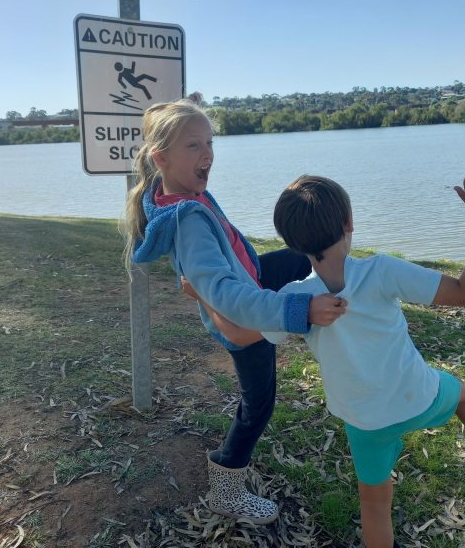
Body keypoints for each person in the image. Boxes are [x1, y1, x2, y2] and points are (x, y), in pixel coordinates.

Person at [190, 173, 465, 548]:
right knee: (460, 393)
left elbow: (236, 334)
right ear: (349, 222)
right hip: (417, 396)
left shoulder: (295, 299)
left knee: (374, 504)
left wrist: (203, 291)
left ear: (290, 242)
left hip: (364, 421)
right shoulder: (380, 271)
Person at [122, 94, 347, 525]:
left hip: (254, 279)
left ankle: (347, 313)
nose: (207, 155)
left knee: (306, 254)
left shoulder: (186, 194)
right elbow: (224, 293)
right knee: (257, 406)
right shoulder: (186, 219)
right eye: (194, 146)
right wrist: (297, 311)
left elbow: (226, 261)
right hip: (244, 314)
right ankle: (226, 488)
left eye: (210, 143)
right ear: (161, 157)